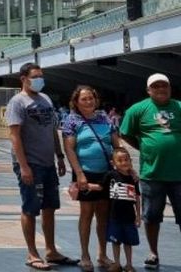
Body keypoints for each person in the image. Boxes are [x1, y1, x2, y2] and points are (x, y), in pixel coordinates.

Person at [5, 62, 78, 270]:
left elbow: (52, 129)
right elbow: (15, 136)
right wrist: (24, 166)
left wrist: (60, 156)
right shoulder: (17, 102)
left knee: (49, 207)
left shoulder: (45, 99)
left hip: (48, 163)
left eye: (41, 76)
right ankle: (32, 253)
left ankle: (51, 250)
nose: (39, 80)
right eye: (35, 76)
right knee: (30, 207)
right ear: (23, 79)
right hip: (31, 163)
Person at [120, 72, 181, 270]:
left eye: (165, 85)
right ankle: (153, 252)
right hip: (152, 174)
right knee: (152, 216)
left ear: (170, 88)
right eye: (156, 86)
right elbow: (126, 133)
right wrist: (145, 147)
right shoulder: (138, 110)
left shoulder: (179, 107)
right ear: (148, 90)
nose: (161, 89)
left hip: (179, 174)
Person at [62, 85, 121, 271]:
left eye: (91, 98)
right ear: (76, 102)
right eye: (84, 99)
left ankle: (102, 255)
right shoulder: (72, 120)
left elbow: (115, 143)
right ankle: (85, 255)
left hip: (106, 173)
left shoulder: (105, 118)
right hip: (85, 172)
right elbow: (69, 148)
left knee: (104, 215)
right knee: (86, 213)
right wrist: (79, 173)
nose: (88, 102)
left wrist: (123, 168)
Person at [103, 147, 141, 272]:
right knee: (115, 241)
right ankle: (117, 263)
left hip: (129, 217)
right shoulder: (111, 175)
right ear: (113, 163)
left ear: (130, 161)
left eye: (126, 160)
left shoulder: (133, 178)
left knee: (128, 242)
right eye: (120, 160)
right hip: (114, 217)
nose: (124, 163)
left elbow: (137, 197)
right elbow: (101, 187)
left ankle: (129, 263)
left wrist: (138, 216)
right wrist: (86, 186)